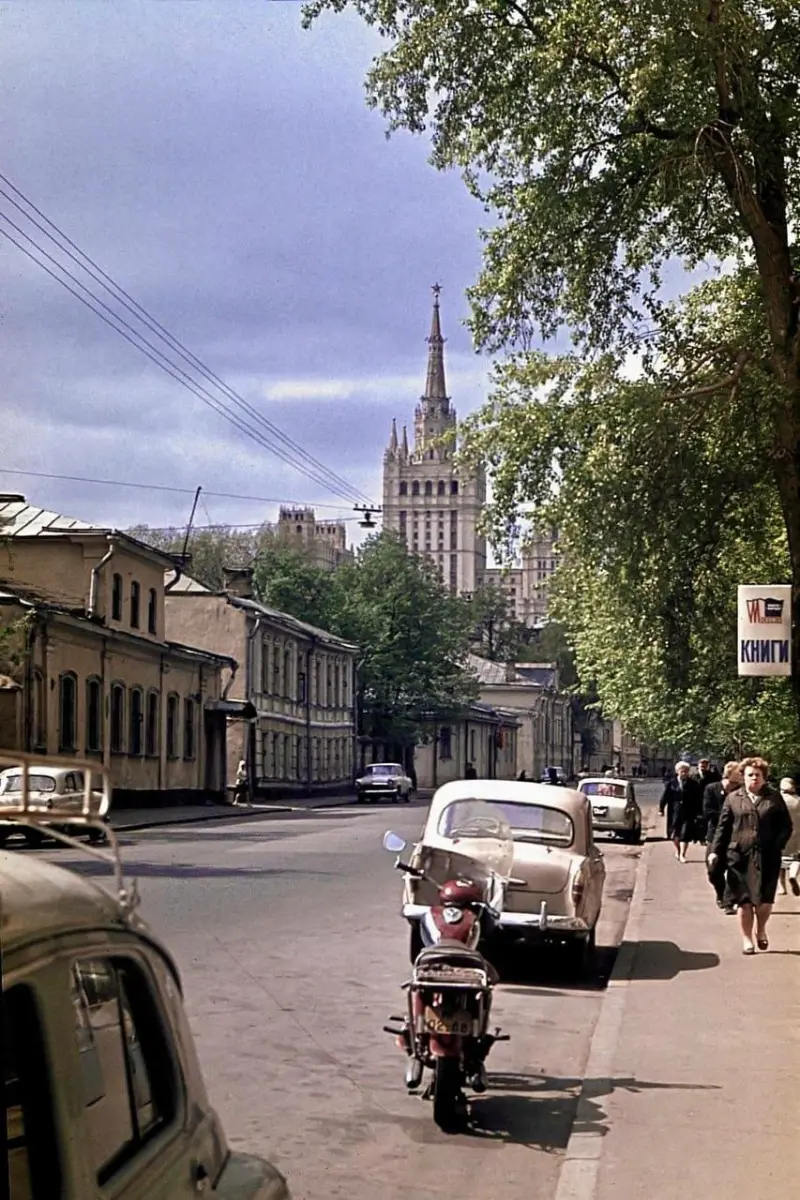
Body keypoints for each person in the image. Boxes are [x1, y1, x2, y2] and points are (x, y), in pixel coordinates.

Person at [708, 756, 792, 955]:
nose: (754, 778)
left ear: (764, 777)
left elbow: (786, 826)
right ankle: (747, 940)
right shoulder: (733, 798)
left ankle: (760, 929)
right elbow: (723, 827)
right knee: (744, 900)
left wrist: (777, 845)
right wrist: (715, 851)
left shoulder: (774, 798)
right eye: (750, 775)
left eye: (758, 775)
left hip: (768, 857)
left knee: (765, 902)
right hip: (739, 857)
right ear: (743, 777)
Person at [702, 761, 741, 911]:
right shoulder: (712, 788)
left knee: (734, 870)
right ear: (729, 774)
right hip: (715, 835)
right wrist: (727, 815)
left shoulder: (741, 791)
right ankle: (721, 893)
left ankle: (728, 901)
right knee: (713, 870)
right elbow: (708, 812)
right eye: (739, 773)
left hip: (735, 836)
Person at [659, 760, 702, 862]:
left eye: (686, 771)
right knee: (675, 834)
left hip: (688, 812)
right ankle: (678, 850)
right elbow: (665, 797)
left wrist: (699, 812)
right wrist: (661, 809)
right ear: (677, 771)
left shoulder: (693, 784)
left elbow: (698, 799)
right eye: (682, 771)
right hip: (674, 812)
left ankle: (683, 854)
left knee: (685, 834)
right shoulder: (671, 783)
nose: (684, 773)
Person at [777, 777, 800, 896]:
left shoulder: (777, 800)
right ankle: (793, 875)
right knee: (796, 859)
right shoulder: (798, 800)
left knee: (779, 862)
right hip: (797, 835)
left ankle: (782, 888)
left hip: (780, 835)